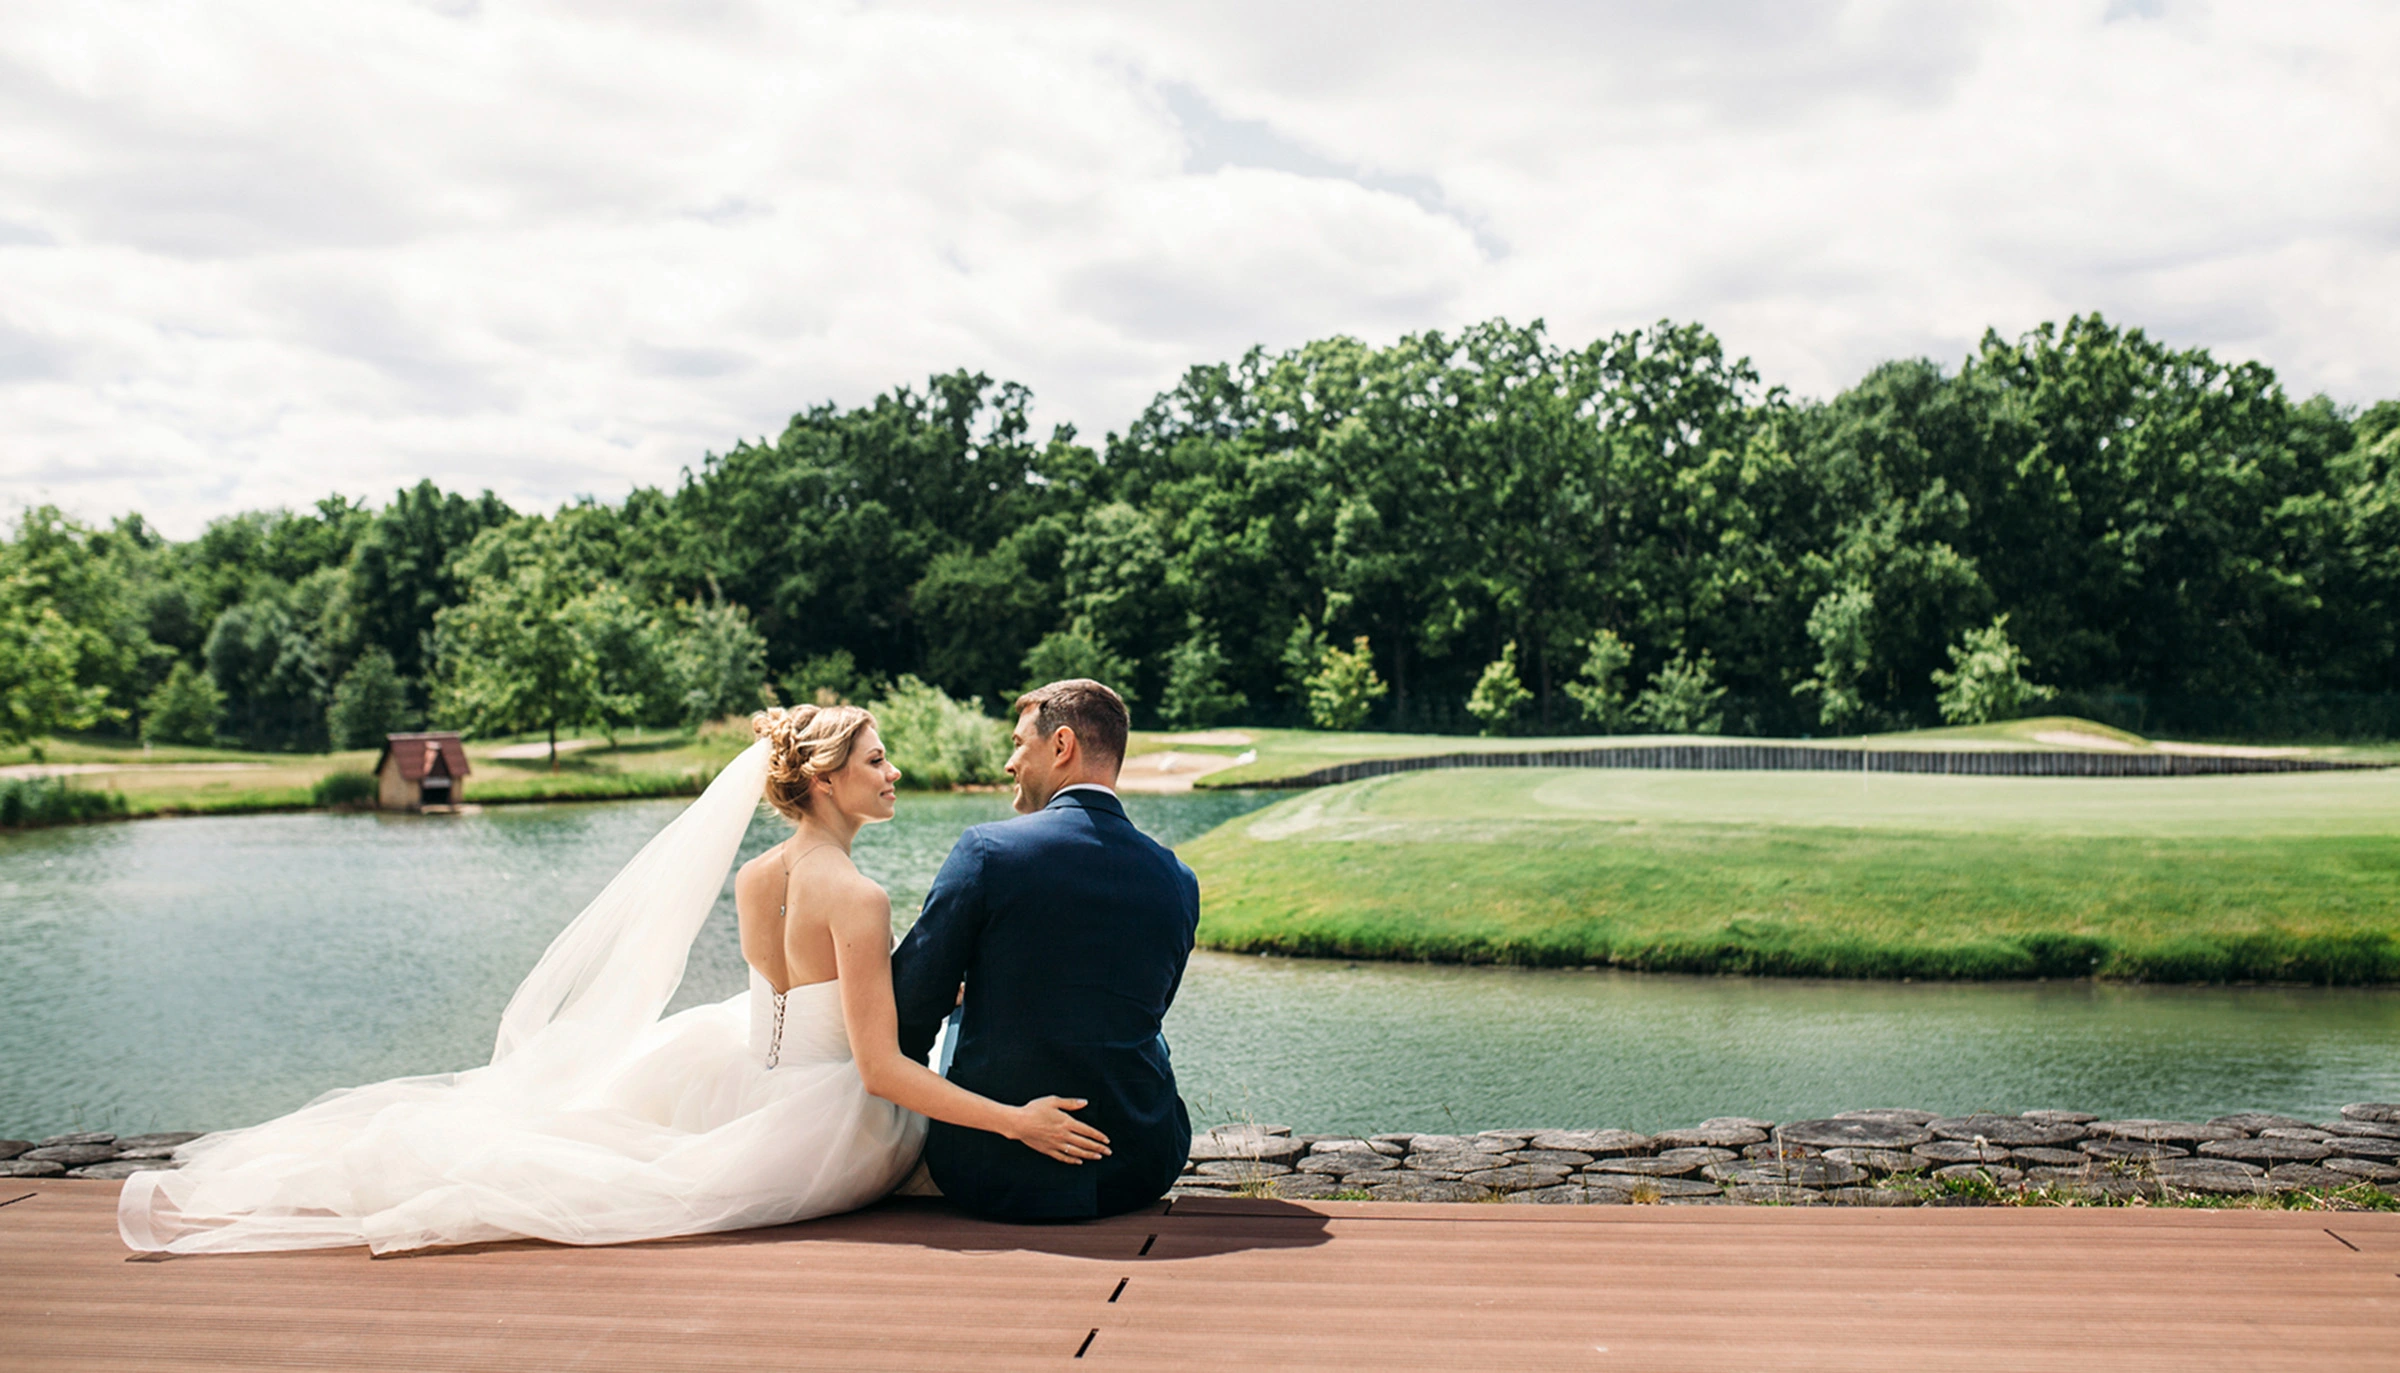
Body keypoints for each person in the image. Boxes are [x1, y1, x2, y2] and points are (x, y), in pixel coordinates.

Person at [118, 704, 1100, 1255]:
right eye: (878, 761)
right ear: (829, 778)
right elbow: (879, 1068)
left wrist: (837, 1029)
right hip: (834, 1111)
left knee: (595, 1130)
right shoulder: (862, 894)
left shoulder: (759, 875)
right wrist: (1015, 1117)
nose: (893, 774)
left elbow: (783, 1008)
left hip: (750, 1069)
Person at [891, 678, 1201, 1221]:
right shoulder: (1177, 877)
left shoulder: (988, 851)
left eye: (1018, 743)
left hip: (995, 1171)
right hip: (1142, 1163)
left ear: (1062, 747)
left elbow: (910, 1008)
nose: (1010, 762)